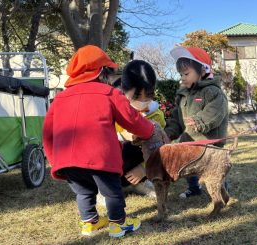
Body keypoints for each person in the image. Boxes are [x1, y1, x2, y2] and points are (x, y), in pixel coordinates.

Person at [42, 45, 155, 238]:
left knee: (84, 193)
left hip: (67, 160)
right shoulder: (109, 93)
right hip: (100, 158)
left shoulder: (60, 98)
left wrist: (55, 160)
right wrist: (150, 129)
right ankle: (118, 224)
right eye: (109, 73)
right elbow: (131, 119)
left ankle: (90, 223)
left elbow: (47, 133)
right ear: (101, 72)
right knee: (112, 192)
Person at [165, 46, 229, 199]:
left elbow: (215, 113)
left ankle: (222, 191)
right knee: (190, 169)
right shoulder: (183, 95)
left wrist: (199, 121)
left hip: (210, 144)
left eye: (186, 73)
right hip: (190, 142)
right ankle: (194, 188)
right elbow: (176, 118)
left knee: (215, 170)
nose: (183, 77)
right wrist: (168, 133)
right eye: (181, 74)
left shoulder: (213, 92)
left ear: (202, 71)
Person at [116, 60, 166, 196]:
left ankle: (140, 182)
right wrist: (121, 135)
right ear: (123, 89)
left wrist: (144, 169)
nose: (143, 101)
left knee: (152, 142)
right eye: (136, 96)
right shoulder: (114, 110)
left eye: (148, 95)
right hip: (113, 166)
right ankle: (104, 188)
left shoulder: (156, 115)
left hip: (139, 166)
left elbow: (163, 148)